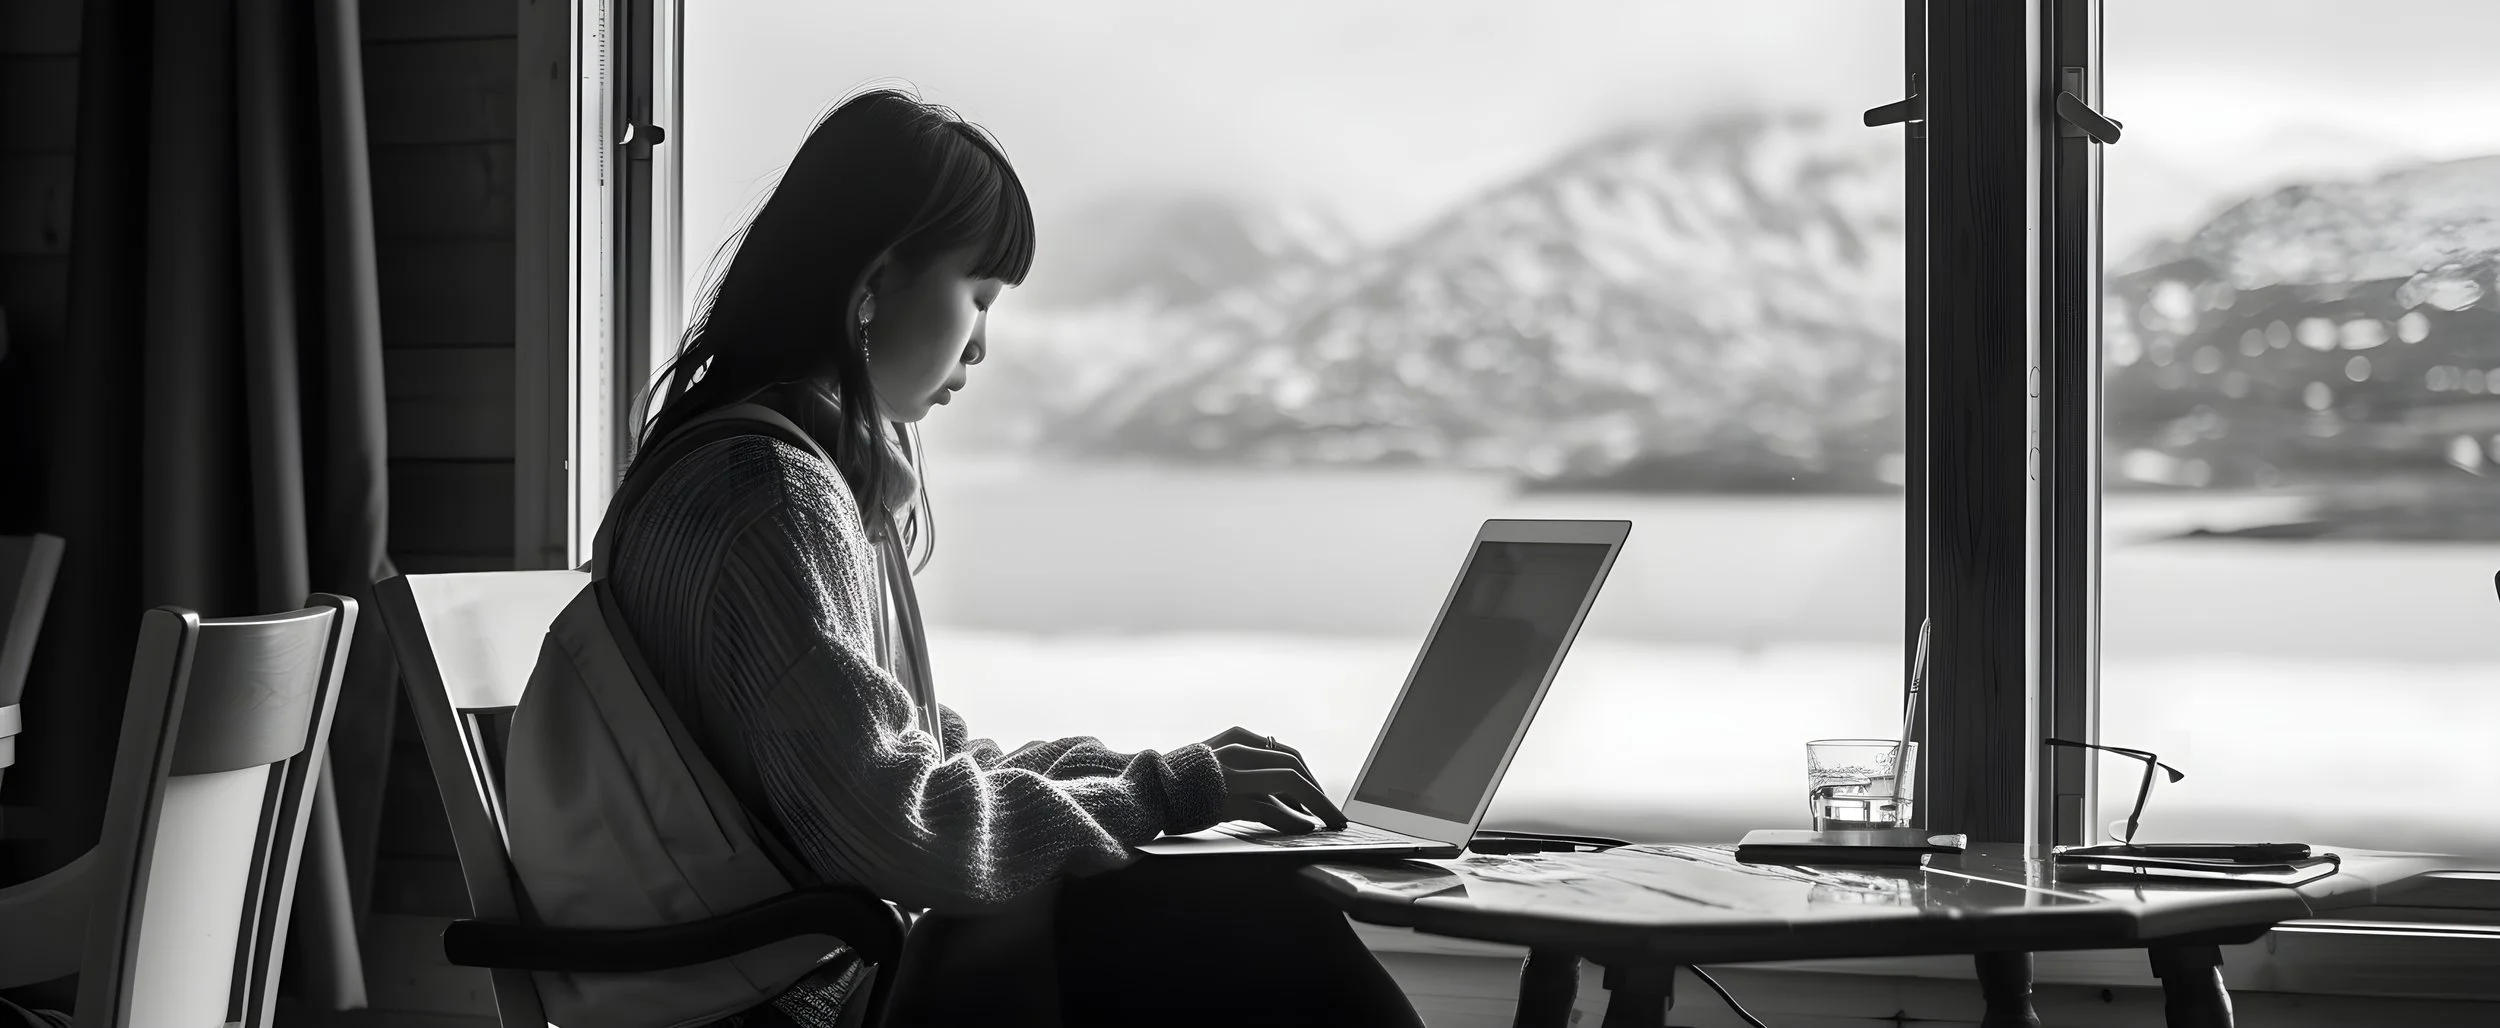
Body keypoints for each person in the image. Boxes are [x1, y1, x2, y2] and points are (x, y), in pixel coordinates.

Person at [604, 87, 1428, 1028]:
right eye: (979, 297)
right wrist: (1165, 790)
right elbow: (902, 825)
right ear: (872, 285)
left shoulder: (755, 466)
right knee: (1243, 917)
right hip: (803, 1000)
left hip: (801, 968)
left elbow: (919, 757)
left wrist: (1159, 777)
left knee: (1224, 903)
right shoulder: (773, 494)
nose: (982, 346)